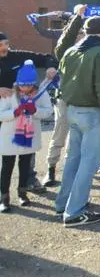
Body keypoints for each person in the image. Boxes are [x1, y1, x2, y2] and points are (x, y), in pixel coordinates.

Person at [54, 16, 100, 227]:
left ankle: (63, 203)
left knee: (73, 158)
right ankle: (74, 211)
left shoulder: (71, 51)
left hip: (72, 110)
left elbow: (60, 54)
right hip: (92, 113)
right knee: (89, 163)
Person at [0, 29, 57, 192]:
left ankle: (28, 180)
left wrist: (51, 68)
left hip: (20, 112)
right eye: (0, 45)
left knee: (26, 148)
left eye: (6, 44)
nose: (4, 48)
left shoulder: (16, 56)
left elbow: (46, 57)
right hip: (3, 110)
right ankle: (4, 192)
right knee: (6, 156)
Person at [0, 61, 54, 212]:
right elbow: (0, 113)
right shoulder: (9, 93)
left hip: (28, 136)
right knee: (7, 167)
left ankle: (22, 194)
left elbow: (48, 111)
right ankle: (4, 197)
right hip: (9, 135)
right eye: (22, 85)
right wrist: (14, 113)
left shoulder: (40, 93)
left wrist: (35, 110)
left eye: (28, 85)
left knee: (25, 166)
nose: (25, 88)